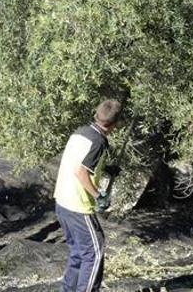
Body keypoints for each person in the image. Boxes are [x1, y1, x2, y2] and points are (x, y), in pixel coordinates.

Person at [53, 99, 123, 292]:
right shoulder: (99, 141)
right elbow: (80, 171)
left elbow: (79, 160)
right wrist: (98, 195)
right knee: (94, 252)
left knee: (78, 252)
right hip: (78, 206)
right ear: (114, 125)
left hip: (62, 202)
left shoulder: (81, 132)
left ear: (96, 115)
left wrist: (106, 168)